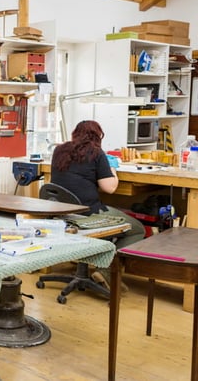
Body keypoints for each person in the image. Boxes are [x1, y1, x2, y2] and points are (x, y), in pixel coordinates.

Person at [50, 120, 145, 286]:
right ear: (98, 136)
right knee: (137, 229)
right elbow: (110, 188)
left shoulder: (59, 150)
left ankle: (99, 260)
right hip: (88, 215)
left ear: (75, 133)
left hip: (60, 214)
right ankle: (105, 269)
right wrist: (112, 168)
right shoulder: (96, 153)